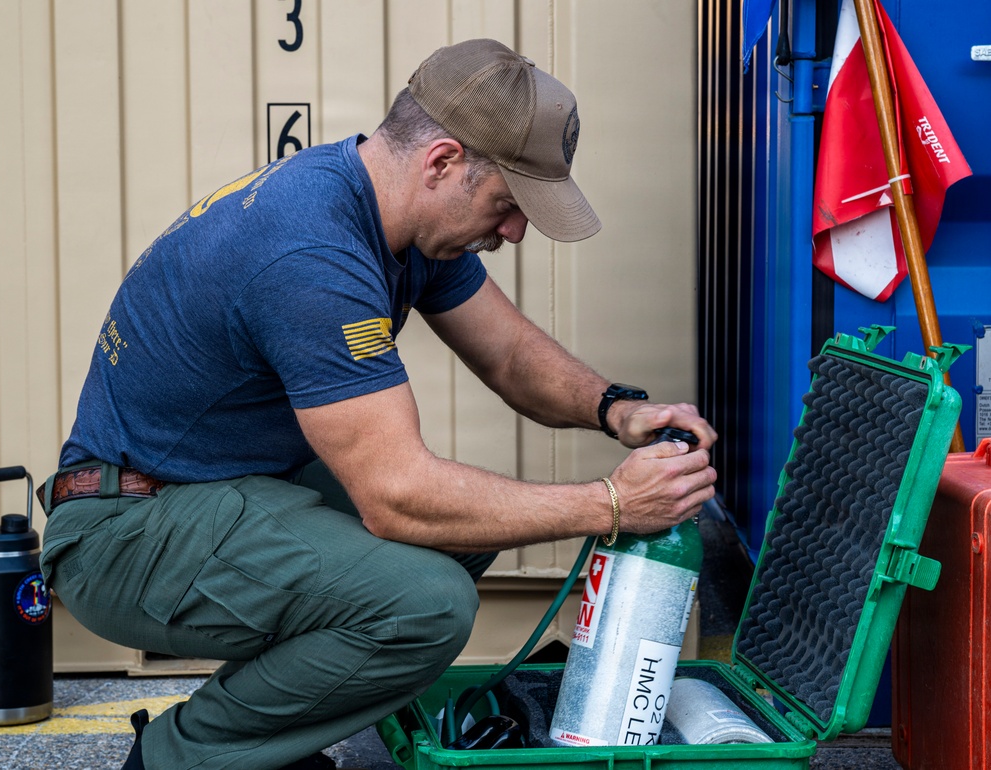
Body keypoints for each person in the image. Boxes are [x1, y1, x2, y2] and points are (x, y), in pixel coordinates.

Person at [38, 38, 717, 769]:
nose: (516, 231)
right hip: (124, 534)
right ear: (442, 163)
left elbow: (509, 353)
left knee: (465, 526)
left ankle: (263, 740)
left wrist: (614, 408)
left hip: (214, 490)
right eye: (508, 204)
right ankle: (182, 757)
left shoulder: (387, 213)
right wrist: (612, 505)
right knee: (425, 600)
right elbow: (397, 498)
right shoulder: (310, 256)